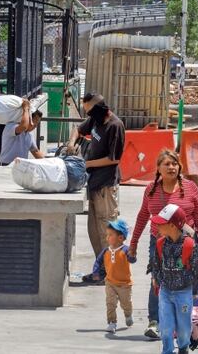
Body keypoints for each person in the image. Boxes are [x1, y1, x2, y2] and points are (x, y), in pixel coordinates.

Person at [129, 149, 198, 340]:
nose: (172, 167)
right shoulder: (151, 189)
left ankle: (187, 320)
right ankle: (155, 322)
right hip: (158, 242)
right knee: (157, 278)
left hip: (187, 244)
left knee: (189, 278)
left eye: (175, 163)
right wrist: (133, 242)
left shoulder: (190, 188)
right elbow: (142, 216)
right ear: (158, 168)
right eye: (167, 164)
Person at [82, 94, 126, 278]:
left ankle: (113, 272)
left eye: (90, 111)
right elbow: (79, 130)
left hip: (106, 186)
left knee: (108, 231)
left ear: (100, 108)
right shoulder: (95, 120)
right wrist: (71, 143)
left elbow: (113, 158)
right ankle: (101, 270)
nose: (89, 115)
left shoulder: (114, 126)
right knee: (94, 230)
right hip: (94, 183)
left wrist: (88, 164)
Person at [151, 204, 198, 354]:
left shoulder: (190, 246)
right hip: (166, 293)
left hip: (183, 294)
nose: (157, 226)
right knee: (166, 327)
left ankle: (182, 348)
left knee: (183, 328)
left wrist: (193, 290)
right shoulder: (161, 244)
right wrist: (157, 278)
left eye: (161, 223)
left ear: (173, 226)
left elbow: (195, 272)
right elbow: (156, 264)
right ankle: (167, 351)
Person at [92, 218, 134, 334]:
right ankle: (112, 322)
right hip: (110, 282)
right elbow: (98, 262)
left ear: (120, 238)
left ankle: (128, 314)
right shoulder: (106, 250)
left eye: (110, 235)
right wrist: (95, 272)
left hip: (124, 284)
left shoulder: (125, 250)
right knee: (110, 303)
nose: (107, 237)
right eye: (107, 234)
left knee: (126, 303)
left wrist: (132, 256)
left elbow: (132, 259)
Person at [0, 97, 45, 165]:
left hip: (20, 165)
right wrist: (25, 109)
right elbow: (24, 126)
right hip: (7, 164)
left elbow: (35, 151)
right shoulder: (11, 127)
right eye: (35, 121)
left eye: (38, 122)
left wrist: (47, 162)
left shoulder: (29, 134)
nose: (35, 125)